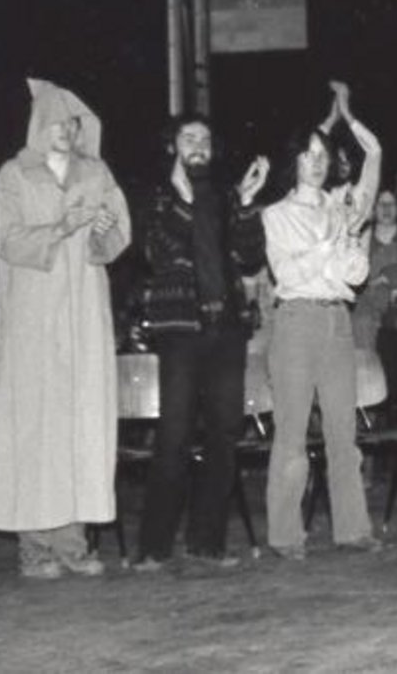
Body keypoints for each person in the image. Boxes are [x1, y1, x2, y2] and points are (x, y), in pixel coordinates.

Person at [0, 79, 131, 579]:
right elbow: (5, 239)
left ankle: (73, 543)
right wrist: (62, 228)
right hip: (32, 320)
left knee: (80, 421)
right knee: (34, 425)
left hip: (84, 314)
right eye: (54, 123)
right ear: (37, 126)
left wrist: (103, 235)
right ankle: (34, 547)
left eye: (71, 123)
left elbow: (118, 232)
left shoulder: (97, 172)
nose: (63, 131)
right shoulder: (13, 176)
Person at [134, 114, 269, 571]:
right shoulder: (159, 197)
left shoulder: (229, 197)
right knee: (172, 436)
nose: (198, 145)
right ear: (173, 146)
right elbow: (157, 253)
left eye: (205, 139)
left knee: (224, 435)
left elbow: (251, 258)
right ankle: (152, 548)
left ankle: (206, 542)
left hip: (227, 329)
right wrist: (185, 200)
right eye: (188, 138)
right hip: (180, 333)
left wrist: (248, 203)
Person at [261, 82, 382, 559]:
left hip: (337, 322)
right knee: (291, 432)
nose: (317, 161)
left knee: (343, 434)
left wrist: (347, 115)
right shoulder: (276, 215)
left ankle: (352, 529)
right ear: (294, 159)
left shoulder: (339, 207)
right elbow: (288, 272)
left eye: (323, 154)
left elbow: (357, 276)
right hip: (295, 322)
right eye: (308, 153)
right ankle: (286, 535)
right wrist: (332, 242)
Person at [353, 188, 397, 427]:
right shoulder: (361, 237)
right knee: (366, 380)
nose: (386, 209)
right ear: (372, 208)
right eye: (381, 203)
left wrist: (385, 276)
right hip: (366, 316)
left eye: (391, 204)